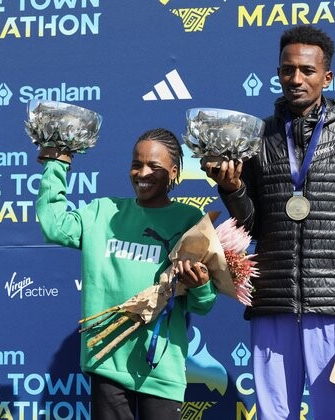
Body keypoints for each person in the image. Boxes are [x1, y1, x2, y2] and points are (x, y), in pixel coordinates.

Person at [202, 25, 335, 419]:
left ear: (327, 77)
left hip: (334, 302)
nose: (296, 79)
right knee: (273, 415)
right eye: (287, 70)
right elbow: (253, 227)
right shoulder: (256, 138)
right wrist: (233, 190)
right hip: (272, 302)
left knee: (334, 413)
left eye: (307, 71)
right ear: (278, 73)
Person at [36, 128, 217, 420]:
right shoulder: (102, 212)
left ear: (174, 172)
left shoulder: (191, 221)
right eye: (136, 164)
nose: (142, 173)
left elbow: (203, 305)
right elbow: (54, 226)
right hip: (107, 362)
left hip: (161, 367)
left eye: (154, 166)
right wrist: (56, 164)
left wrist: (201, 285)